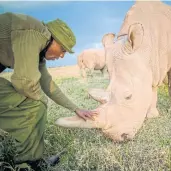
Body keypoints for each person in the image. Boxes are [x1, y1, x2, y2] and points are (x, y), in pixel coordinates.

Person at [0, 12, 98, 170]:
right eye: (62, 49)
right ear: (52, 39)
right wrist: (40, 100)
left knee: (36, 105)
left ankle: (31, 162)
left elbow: (47, 84)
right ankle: (23, 164)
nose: (61, 55)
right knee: (33, 105)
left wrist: (75, 108)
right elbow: (24, 82)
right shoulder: (34, 33)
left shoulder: (39, 50)